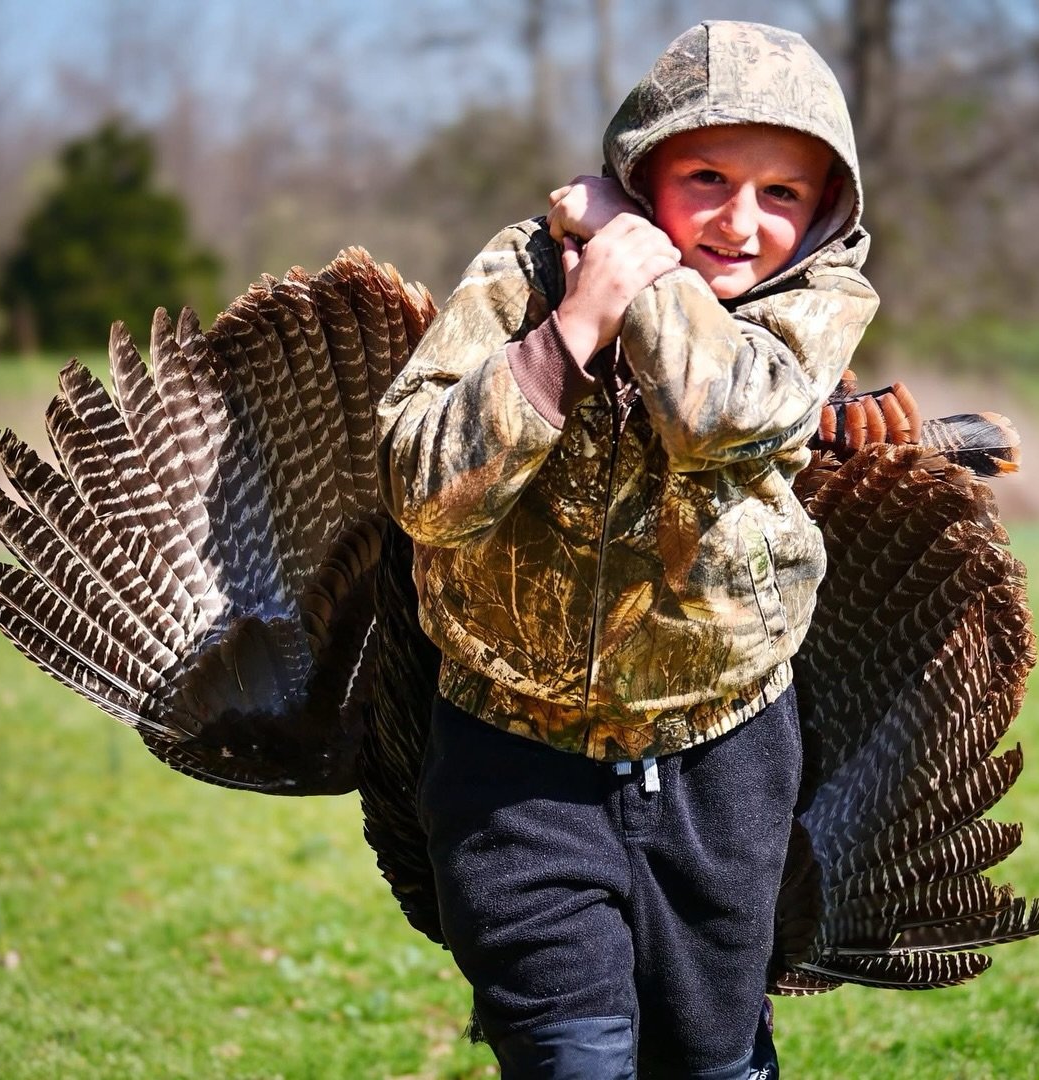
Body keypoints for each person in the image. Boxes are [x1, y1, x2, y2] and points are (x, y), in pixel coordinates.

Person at [377, 20, 879, 1079]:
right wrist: (574, 324)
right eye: (706, 176)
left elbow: (715, 408)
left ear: (826, 210)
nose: (743, 222)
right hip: (513, 763)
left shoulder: (816, 303)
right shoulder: (522, 273)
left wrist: (628, 260)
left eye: (785, 194)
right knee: (571, 1058)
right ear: (642, 167)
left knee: (709, 1060)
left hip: (723, 759)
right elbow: (422, 489)